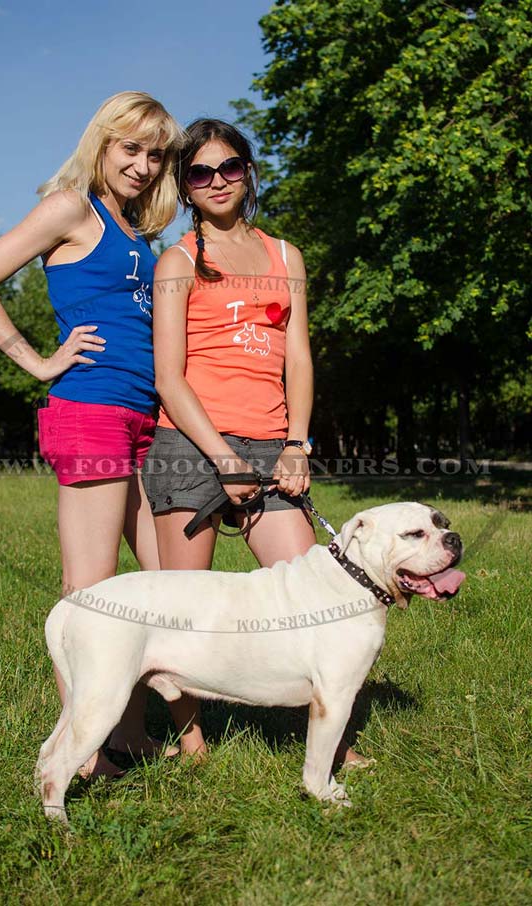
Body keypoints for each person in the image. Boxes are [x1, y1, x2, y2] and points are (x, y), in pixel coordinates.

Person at [0, 91, 185, 777]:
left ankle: (132, 733)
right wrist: (37, 361)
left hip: (141, 414)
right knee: (93, 591)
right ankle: (85, 754)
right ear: (102, 144)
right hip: (90, 408)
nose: (142, 165)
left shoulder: (137, 230)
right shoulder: (70, 209)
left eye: (155, 154)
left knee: (161, 586)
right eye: (130, 148)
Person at [143, 119, 366, 766]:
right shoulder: (178, 260)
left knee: (308, 600)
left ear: (248, 172)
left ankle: (330, 738)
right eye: (200, 172)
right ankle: (190, 740)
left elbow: (298, 357)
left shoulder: (284, 255)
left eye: (229, 167)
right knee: (185, 610)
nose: (217, 181)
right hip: (189, 443)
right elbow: (168, 378)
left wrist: (297, 443)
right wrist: (223, 459)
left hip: (272, 441)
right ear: (185, 185)